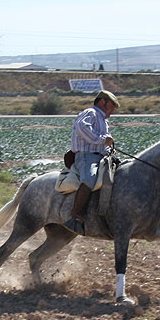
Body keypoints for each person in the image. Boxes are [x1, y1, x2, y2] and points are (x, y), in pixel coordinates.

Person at [64, 90, 119, 235]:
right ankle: (74, 215)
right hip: (86, 157)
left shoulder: (103, 120)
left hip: (100, 157)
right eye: (111, 106)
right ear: (102, 102)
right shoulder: (91, 113)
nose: (113, 110)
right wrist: (102, 140)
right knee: (89, 179)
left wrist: (109, 149)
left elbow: (103, 142)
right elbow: (83, 128)